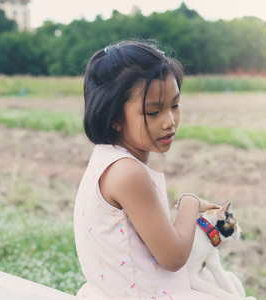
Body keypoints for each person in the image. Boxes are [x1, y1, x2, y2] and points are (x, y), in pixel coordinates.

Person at [73, 40, 220, 299]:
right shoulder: (128, 173)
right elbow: (173, 257)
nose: (169, 121)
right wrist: (190, 202)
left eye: (175, 105)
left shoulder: (106, 161)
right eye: (153, 112)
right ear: (115, 117)